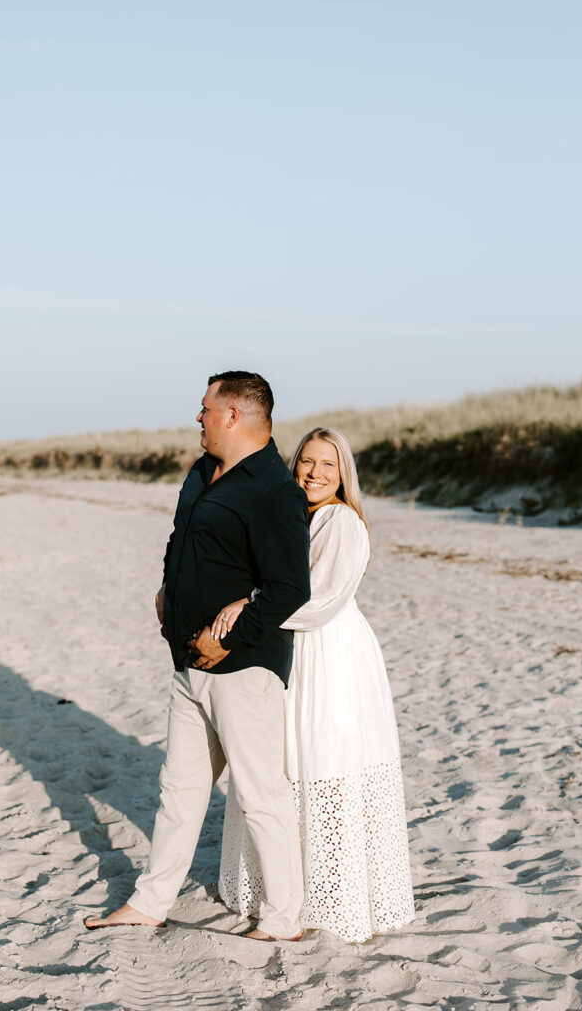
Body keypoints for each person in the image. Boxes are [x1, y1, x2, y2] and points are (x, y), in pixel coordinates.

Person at [84, 372, 310, 941]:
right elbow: (180, 537)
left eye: (206, 407)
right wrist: (168, 591)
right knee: (178, 792)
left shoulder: (274, 491)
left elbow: (289, 589)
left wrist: (226, 639)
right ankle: (150, 902)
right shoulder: (200, 472)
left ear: (233, 413)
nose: (198, 416)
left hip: (244, 668)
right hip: (186, 661)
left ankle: (283, 919)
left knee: (261, 795)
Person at [215, 428, 415, 943]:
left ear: (343, 472)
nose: (315, 473)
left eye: (328, 464)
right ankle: (285, 890)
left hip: (330, 655)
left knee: (323, 762)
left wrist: (248, 609)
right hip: (290, 649)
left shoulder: (341, 521)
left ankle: (332, 898)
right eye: (307, 461)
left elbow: (319, 597)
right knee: (284, 763)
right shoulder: (295, 516)